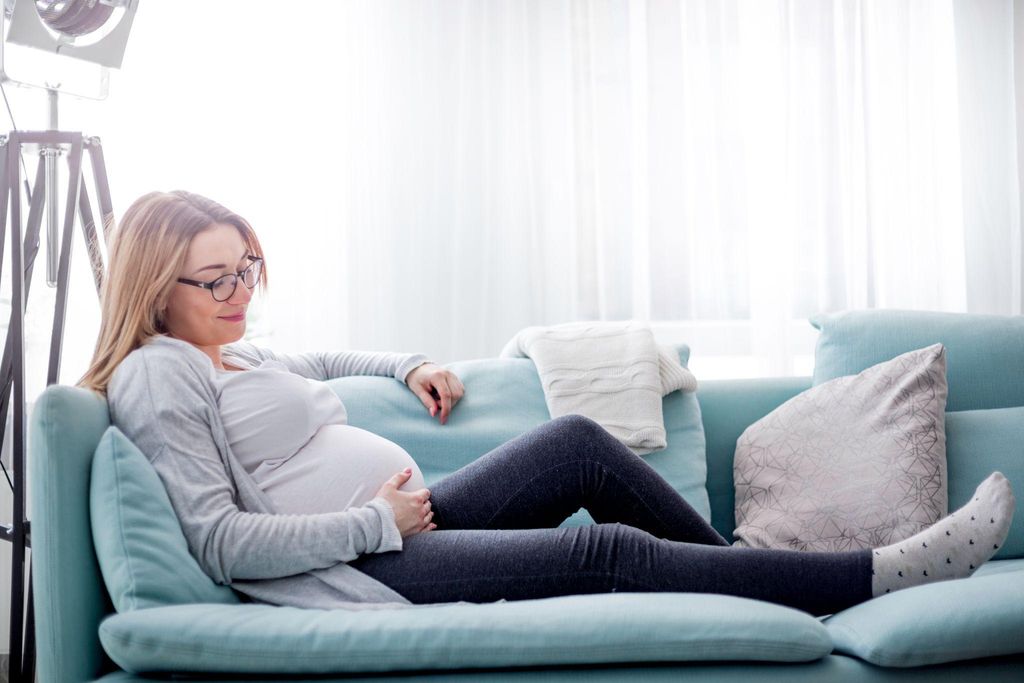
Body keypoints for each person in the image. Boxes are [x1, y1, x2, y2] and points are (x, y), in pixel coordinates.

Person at [78, 190, 1016, 617]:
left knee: (575, 441)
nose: (241, 292)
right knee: (604, 549)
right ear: (155, 284)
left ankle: (747, 577)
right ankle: (876, 576)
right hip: (364, 567)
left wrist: (405, 362)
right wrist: (371, 522)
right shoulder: (159, 373)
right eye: (216, 279)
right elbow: (221, 541)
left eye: (249, 268)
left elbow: (318, 353)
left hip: (403, 530)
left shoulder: (225, 350)